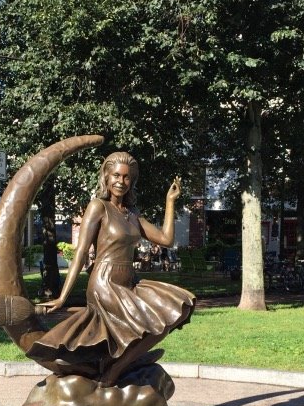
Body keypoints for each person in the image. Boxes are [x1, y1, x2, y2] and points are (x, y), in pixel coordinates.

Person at [34, 151, 195, 385]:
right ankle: (113, 370)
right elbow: (81, 252)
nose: (121, 181)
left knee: (178, 308)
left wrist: (170, 202)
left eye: (127, 177)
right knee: (147, 322)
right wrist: (62, 297)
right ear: (107, 177)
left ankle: (117, 366)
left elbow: (166, 239)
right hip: (105, 284)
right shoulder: (98, 207)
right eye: (116, 175)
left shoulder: (133, 215)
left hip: (130, 282)